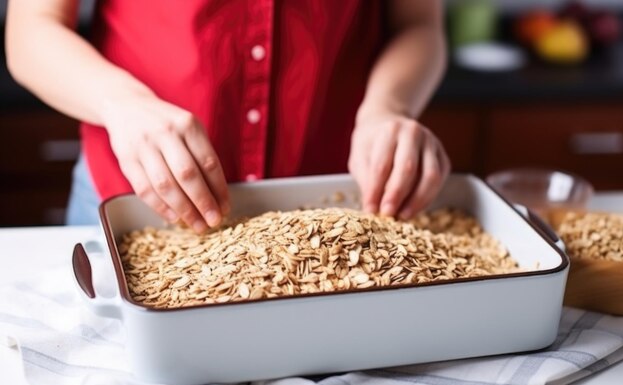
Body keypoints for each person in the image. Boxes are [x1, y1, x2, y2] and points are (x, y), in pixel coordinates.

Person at [6, 0, 450, 232]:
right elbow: (31, 30)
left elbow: (418, 24)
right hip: (129, 196)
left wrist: (387, 108)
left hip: (335, 207)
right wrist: (122, 104)